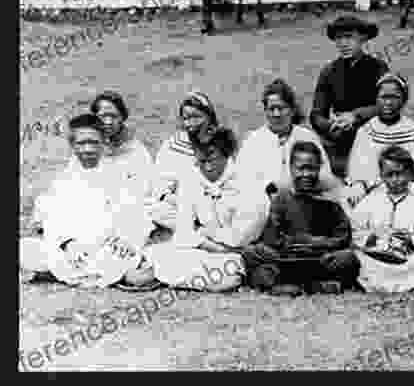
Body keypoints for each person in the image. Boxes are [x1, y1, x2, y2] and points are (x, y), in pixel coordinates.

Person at [20, 114, 157, 290]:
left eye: (93, 142)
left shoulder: (120, 174)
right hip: (73, 249)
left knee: (121, 258)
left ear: (104, 142)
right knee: (25, 249)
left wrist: (126, 238)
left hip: (107, 247)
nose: (87, 149)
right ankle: (113, 276)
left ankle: (68, 274)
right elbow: (53, 218)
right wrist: (68, 244)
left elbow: (135, 212)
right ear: (72, 145)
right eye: (81, 143)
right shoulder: (64, 179)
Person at [146, 129, 268, 292]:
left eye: (212, 159)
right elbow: (183, 232)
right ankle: (205, 280)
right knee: (159, 252)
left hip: (238, 253)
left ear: (227, 154)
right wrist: (207, 241)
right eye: (201, 161)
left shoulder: (248, 183)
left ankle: (173, 277)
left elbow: (240, 239)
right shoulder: (191, 178)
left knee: (231, 264)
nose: (207, 167)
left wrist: (206, 232)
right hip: (205, 249)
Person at [242, 141, 360, 296]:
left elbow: (342, 237)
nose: (306, 174)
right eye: (300, 168)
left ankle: (308, 286)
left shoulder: (330, 199)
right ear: (291, 168)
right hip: (287, 259)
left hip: (320, 258)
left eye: (311, 169)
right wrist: (293, 244)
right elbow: (273, 238)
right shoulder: (281, 199)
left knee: (348, 258)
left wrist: (317, 243)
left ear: (319, 168)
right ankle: (307, 285)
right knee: (252, 253)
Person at [310, 15, 389, 179]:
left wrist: (355, 116)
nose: (343, 44)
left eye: (349, 38)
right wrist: (331, 126)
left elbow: (386, 105)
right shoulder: (329, 71)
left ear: (363, 39)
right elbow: (316, 114)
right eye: (338, 38)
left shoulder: (378, 68)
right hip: (340, 140)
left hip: (374, 136)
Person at [235, 78, 342, 199]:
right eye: (271, 109)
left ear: (292, 110)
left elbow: (326, 176)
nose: (276, 114)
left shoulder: (306, 137)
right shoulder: (253, 141)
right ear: (265, 111)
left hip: (304, 202)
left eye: (281, 108)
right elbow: (241, 182)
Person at [346, 72, 414, 204]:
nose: (388, 103)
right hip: (373, 193)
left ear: (403, 100)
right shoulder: (367, 131)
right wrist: (360, 185)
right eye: (383, 97)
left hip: (408, 191)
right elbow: (359, 168)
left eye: (394, 97)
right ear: (376, 99)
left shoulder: (413, 130)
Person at [350, 146, 414, 293]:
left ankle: (413, 284)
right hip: (376, 255)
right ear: (382, 176)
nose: (395, 180)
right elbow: (356, 230)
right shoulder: (371, 201)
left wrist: (412, 240)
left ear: (409, 174)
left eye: (400, 174)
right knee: (361, 260)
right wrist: (371, 238)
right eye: (390, 175)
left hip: (408, 258)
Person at [150, 91, 222, 232]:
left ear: (209, 117)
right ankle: (196, 231)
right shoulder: (172, 146)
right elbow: (161, 188)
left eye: (196, 117)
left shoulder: (221, 144)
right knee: (153, 209)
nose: (190, 123)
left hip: (213, 206)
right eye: (186, 118)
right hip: (178, 206)